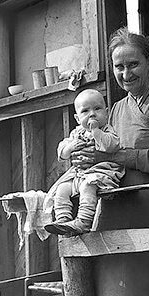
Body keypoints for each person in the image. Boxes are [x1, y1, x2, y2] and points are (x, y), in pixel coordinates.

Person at [72, 27, 149, 296]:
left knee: (143, 291)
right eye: (119, 67)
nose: (126, 74)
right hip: (114, 208)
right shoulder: (115, 109)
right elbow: (103, 154)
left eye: (133, 64)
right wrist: (82, 156)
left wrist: (113, 157)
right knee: (110, 290)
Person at [44, 89, 125, 236]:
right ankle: (63, 219)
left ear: (106, 113)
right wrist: (70, 147)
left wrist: (97, 132)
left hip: (101, 172)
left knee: (88, 187)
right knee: (62, 188)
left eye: (97, 109)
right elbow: (61, 151)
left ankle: (83, 222)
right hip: (79, 174)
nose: (92, 114)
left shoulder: (107, 129)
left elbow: (112, 145)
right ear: (77, 118)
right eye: (85, 111)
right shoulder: (77, 133)